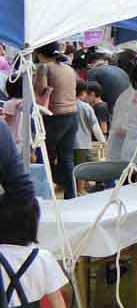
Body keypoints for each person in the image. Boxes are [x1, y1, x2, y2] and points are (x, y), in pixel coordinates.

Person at [33, 44, 80, 200]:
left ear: (40, 53)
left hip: (54, 117)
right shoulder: (68, 68)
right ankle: (71, 195)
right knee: (67, 158)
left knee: (44, 156)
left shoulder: (44, 67)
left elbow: (41, 91)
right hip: (72, 115)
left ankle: (44, 195)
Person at [73, 80, 106, 195]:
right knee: (82, 167)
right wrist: (103, 141)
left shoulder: (67, 104)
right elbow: (95, 126)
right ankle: (80, 190)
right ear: (83, 93)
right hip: (82, 143)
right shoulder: (85, 107)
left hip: (68, 143)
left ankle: (73, 188)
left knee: (71, 166)